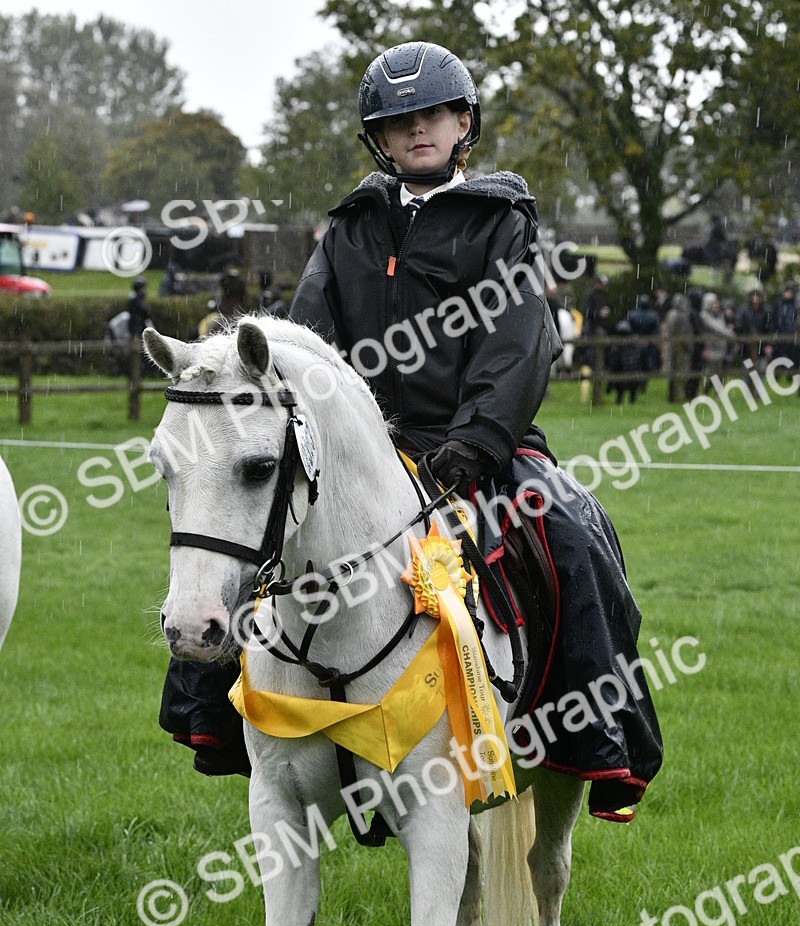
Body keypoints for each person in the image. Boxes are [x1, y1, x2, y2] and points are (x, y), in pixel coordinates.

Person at [160, 41, 661, 819]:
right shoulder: (351, 228)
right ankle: (215, 714)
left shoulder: (502, 224)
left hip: (474, 448)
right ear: (380, 140)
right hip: (358, 448)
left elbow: (519, 341)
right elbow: (305, 342)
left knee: (568, 532)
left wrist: (480, 439)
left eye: (432, 115)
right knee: (246, 537)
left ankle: (589, 733)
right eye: (397, 123)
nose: (416, 131)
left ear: (464, 122)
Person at [662, 292, 693, 404]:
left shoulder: (670, 313)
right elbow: (685, 333)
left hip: (671, 346)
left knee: (673, 372)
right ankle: (678, 396)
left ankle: (672, 395)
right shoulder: (681, 316)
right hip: (680, 348)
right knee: (680, 372)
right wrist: (689, 346)